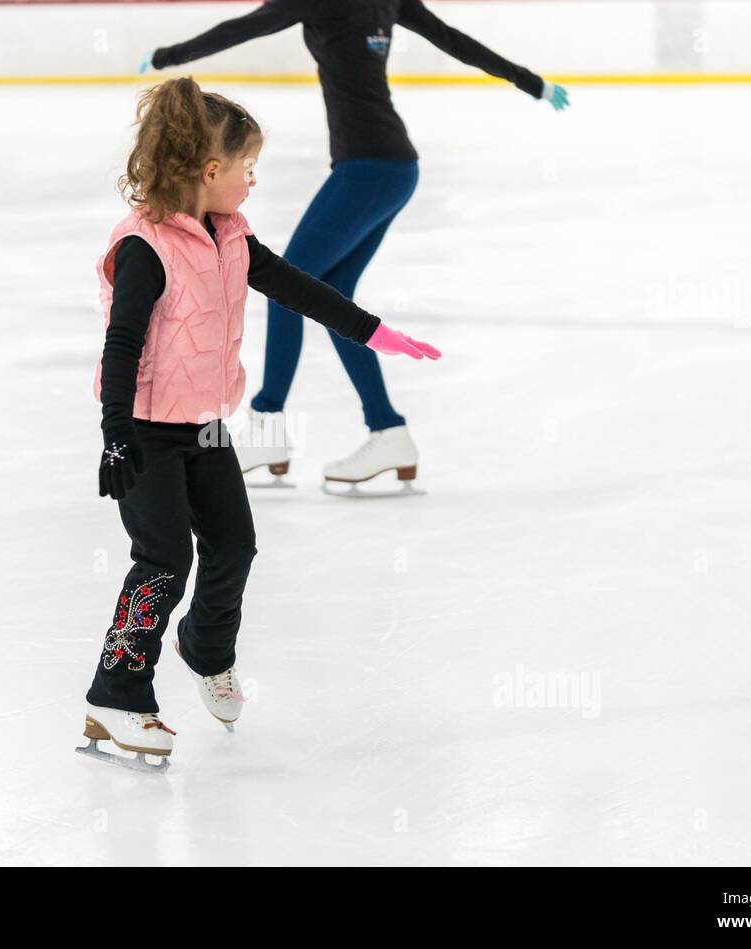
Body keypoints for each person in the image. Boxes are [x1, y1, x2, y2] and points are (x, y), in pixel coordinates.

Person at [78, 77, 441, 772]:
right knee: (163, 560)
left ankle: (206, 648)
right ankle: (116, 694)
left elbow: (298, 288)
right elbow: (121, 343)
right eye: (247, 168)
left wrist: (375, 334)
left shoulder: (232, 236)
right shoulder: (144, 249)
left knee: (234, 544)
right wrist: (116, 432)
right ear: (209, 172)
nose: (253, 180)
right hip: (147, 430)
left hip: (206, 425)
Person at [143, 0, 567, 491]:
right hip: (394, 168)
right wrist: (530, 81)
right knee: (330, 293)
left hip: (367, 169)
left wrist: (166, 57)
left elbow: (245, 27)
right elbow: (453, 40)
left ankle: (267, 424)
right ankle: (387, 430)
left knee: (289, 285)